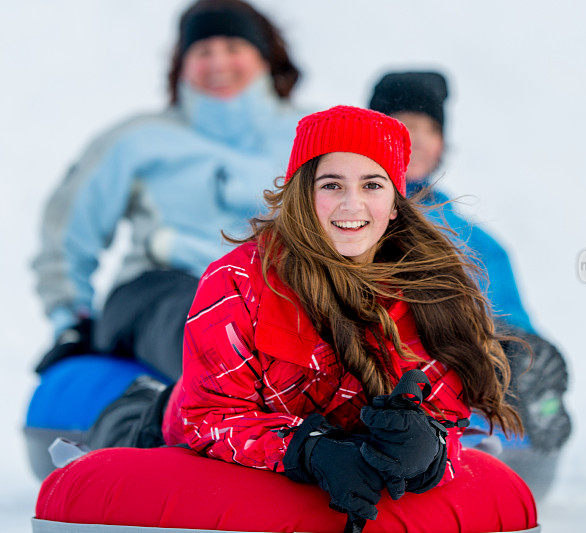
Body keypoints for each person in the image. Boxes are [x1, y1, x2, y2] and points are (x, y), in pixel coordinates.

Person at [160, 105, 526, 526]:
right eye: (332, 185)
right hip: (196, 441)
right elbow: (211, 417)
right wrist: (307, 448)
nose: (352, 204)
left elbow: (448, 414)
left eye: (372, 185)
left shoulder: (433, 293)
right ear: (304, 195)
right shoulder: (238, 281)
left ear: (394, 203)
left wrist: (429, 447)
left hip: (353, 471)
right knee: (146, 425)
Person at [31, 0, 303, 382]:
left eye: (233, 48)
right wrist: (70, 318)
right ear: (182, 64)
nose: (218, 63)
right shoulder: (140, 139)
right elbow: (72, 227)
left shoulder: (308, 137)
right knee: (210, 327)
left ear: (264, 57)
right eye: (203, 51)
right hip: (161, 289)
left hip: (277, 291)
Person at [369, 71, 572, 497]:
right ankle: (466, 460)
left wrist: (521, 351)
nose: (418, 139)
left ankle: (512, 443)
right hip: (394, 378)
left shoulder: (469, 235)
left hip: (465, 376)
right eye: (404, 127)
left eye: (429, 129)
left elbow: (506, 309)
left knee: (513, 389)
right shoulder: (353, 218)